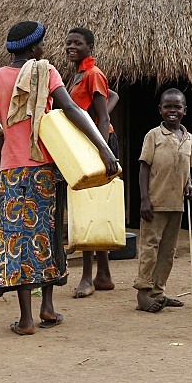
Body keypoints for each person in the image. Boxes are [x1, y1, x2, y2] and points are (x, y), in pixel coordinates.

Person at [0, 21, 119, 336]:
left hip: (12, 170)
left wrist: (6, 126)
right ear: (33, 48)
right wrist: (104, 148)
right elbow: (71, 109)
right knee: (47, 235)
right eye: (42, 44)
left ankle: (27, 319)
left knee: (18, 239)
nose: (45, 48)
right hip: (45, 167)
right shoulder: (47, 72)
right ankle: (48, 308)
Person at [64, 26, 120, 298]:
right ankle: (104, 274)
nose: (71, 47)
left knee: (88, 207)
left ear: (89, 46)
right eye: (68, 43)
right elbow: (113, 98)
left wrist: (104, 150)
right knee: (93, 206)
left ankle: (87, 277)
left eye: (77, 43)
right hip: (88, 145)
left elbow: (103, 116)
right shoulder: (78, 75)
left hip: (97, 146)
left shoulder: (93, 74)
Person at [134, 88, 192, 313]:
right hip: (155, 202)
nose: (173, 111)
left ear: (185, 111)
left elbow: (187, 170)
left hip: (177, 204)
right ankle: (143, 293)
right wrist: (144, 200)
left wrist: (189, 186)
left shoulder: (189, 138)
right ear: (160, 110)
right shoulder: (153, 135)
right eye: (168, 106)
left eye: (177, 107)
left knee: (167, 251)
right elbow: (144, 168)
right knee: (150, 246)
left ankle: (158, 292)